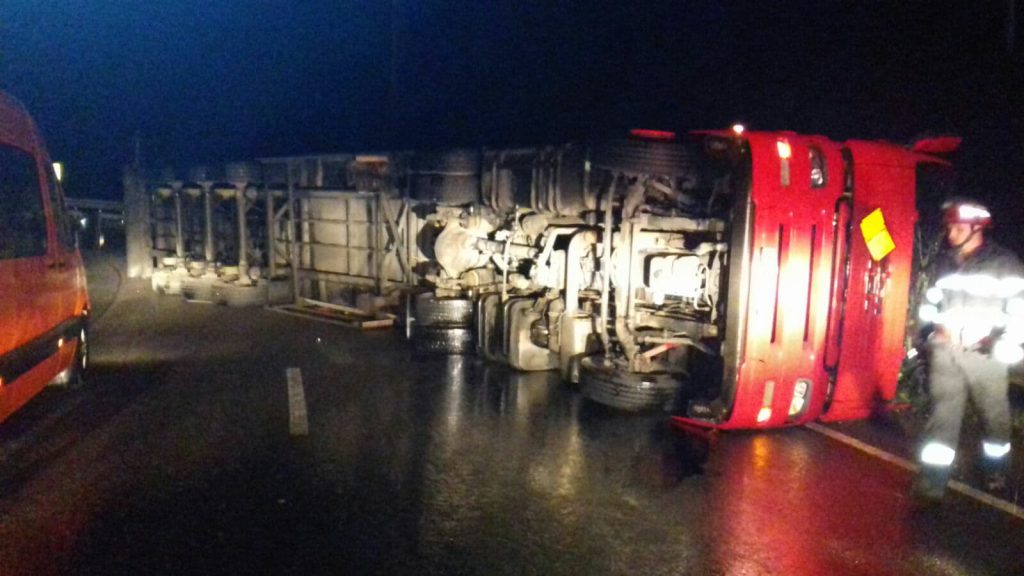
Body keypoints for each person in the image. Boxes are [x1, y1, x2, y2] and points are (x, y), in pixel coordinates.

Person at [913, 198, 1024, 504]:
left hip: (984, 357)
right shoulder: (945, 263)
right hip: (946, 353)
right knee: (943, 418)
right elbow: (931, 302)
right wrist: (928, 334)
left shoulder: (1005, 265)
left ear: (977, 229)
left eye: (958, 228)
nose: (951, 234)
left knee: (994, 419)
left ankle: (995, 471)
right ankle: (932, 483)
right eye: (949, 227)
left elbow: (1020, 312)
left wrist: (1004, 345)